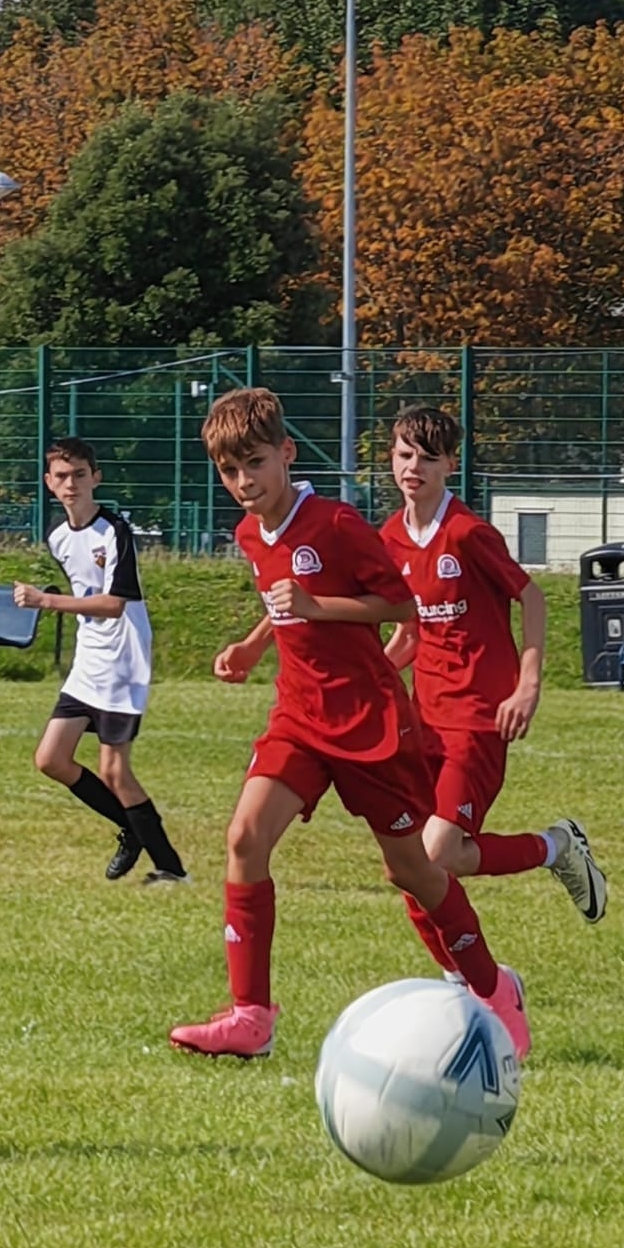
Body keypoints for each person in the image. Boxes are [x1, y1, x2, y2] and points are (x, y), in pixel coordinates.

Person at [169, 387, 528, 1061]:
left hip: (370, 724)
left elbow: (397, 606)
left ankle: (492, 989)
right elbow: (284, 605)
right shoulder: (251, 533)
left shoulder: (335, 523)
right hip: (299, 718)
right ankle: (252, 1015)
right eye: (229, 471)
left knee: (416, 871)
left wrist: (314, 605)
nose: (244, 482)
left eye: (254, 463)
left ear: (286, 453)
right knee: (244, 835)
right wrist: (254, 645)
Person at [378, 405, 606, 926]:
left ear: (450, 465)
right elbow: (413, 632)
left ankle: (555, 851)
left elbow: (532, 597)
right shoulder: (390, 538)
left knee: (434, 854)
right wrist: (374, 676)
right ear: (391, 457)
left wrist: (527, 685)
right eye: (405, 455)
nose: (414, 467)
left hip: (479, 719)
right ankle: (554, 850)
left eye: (428, 459)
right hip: (425, 720)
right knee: (424, 860)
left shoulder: (466, 533)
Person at [14, 438, 185, 884]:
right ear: (50, 483)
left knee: (114, 770)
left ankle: (170, 868)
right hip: (89, 661)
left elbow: (113, 604)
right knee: (51, 758)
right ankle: (130, 828)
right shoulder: (57, 537)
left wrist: (46, 601)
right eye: (62, 477)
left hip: (124, 658)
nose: (71, 484)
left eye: (80, 475)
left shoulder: (114, 531)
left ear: (96, 478)